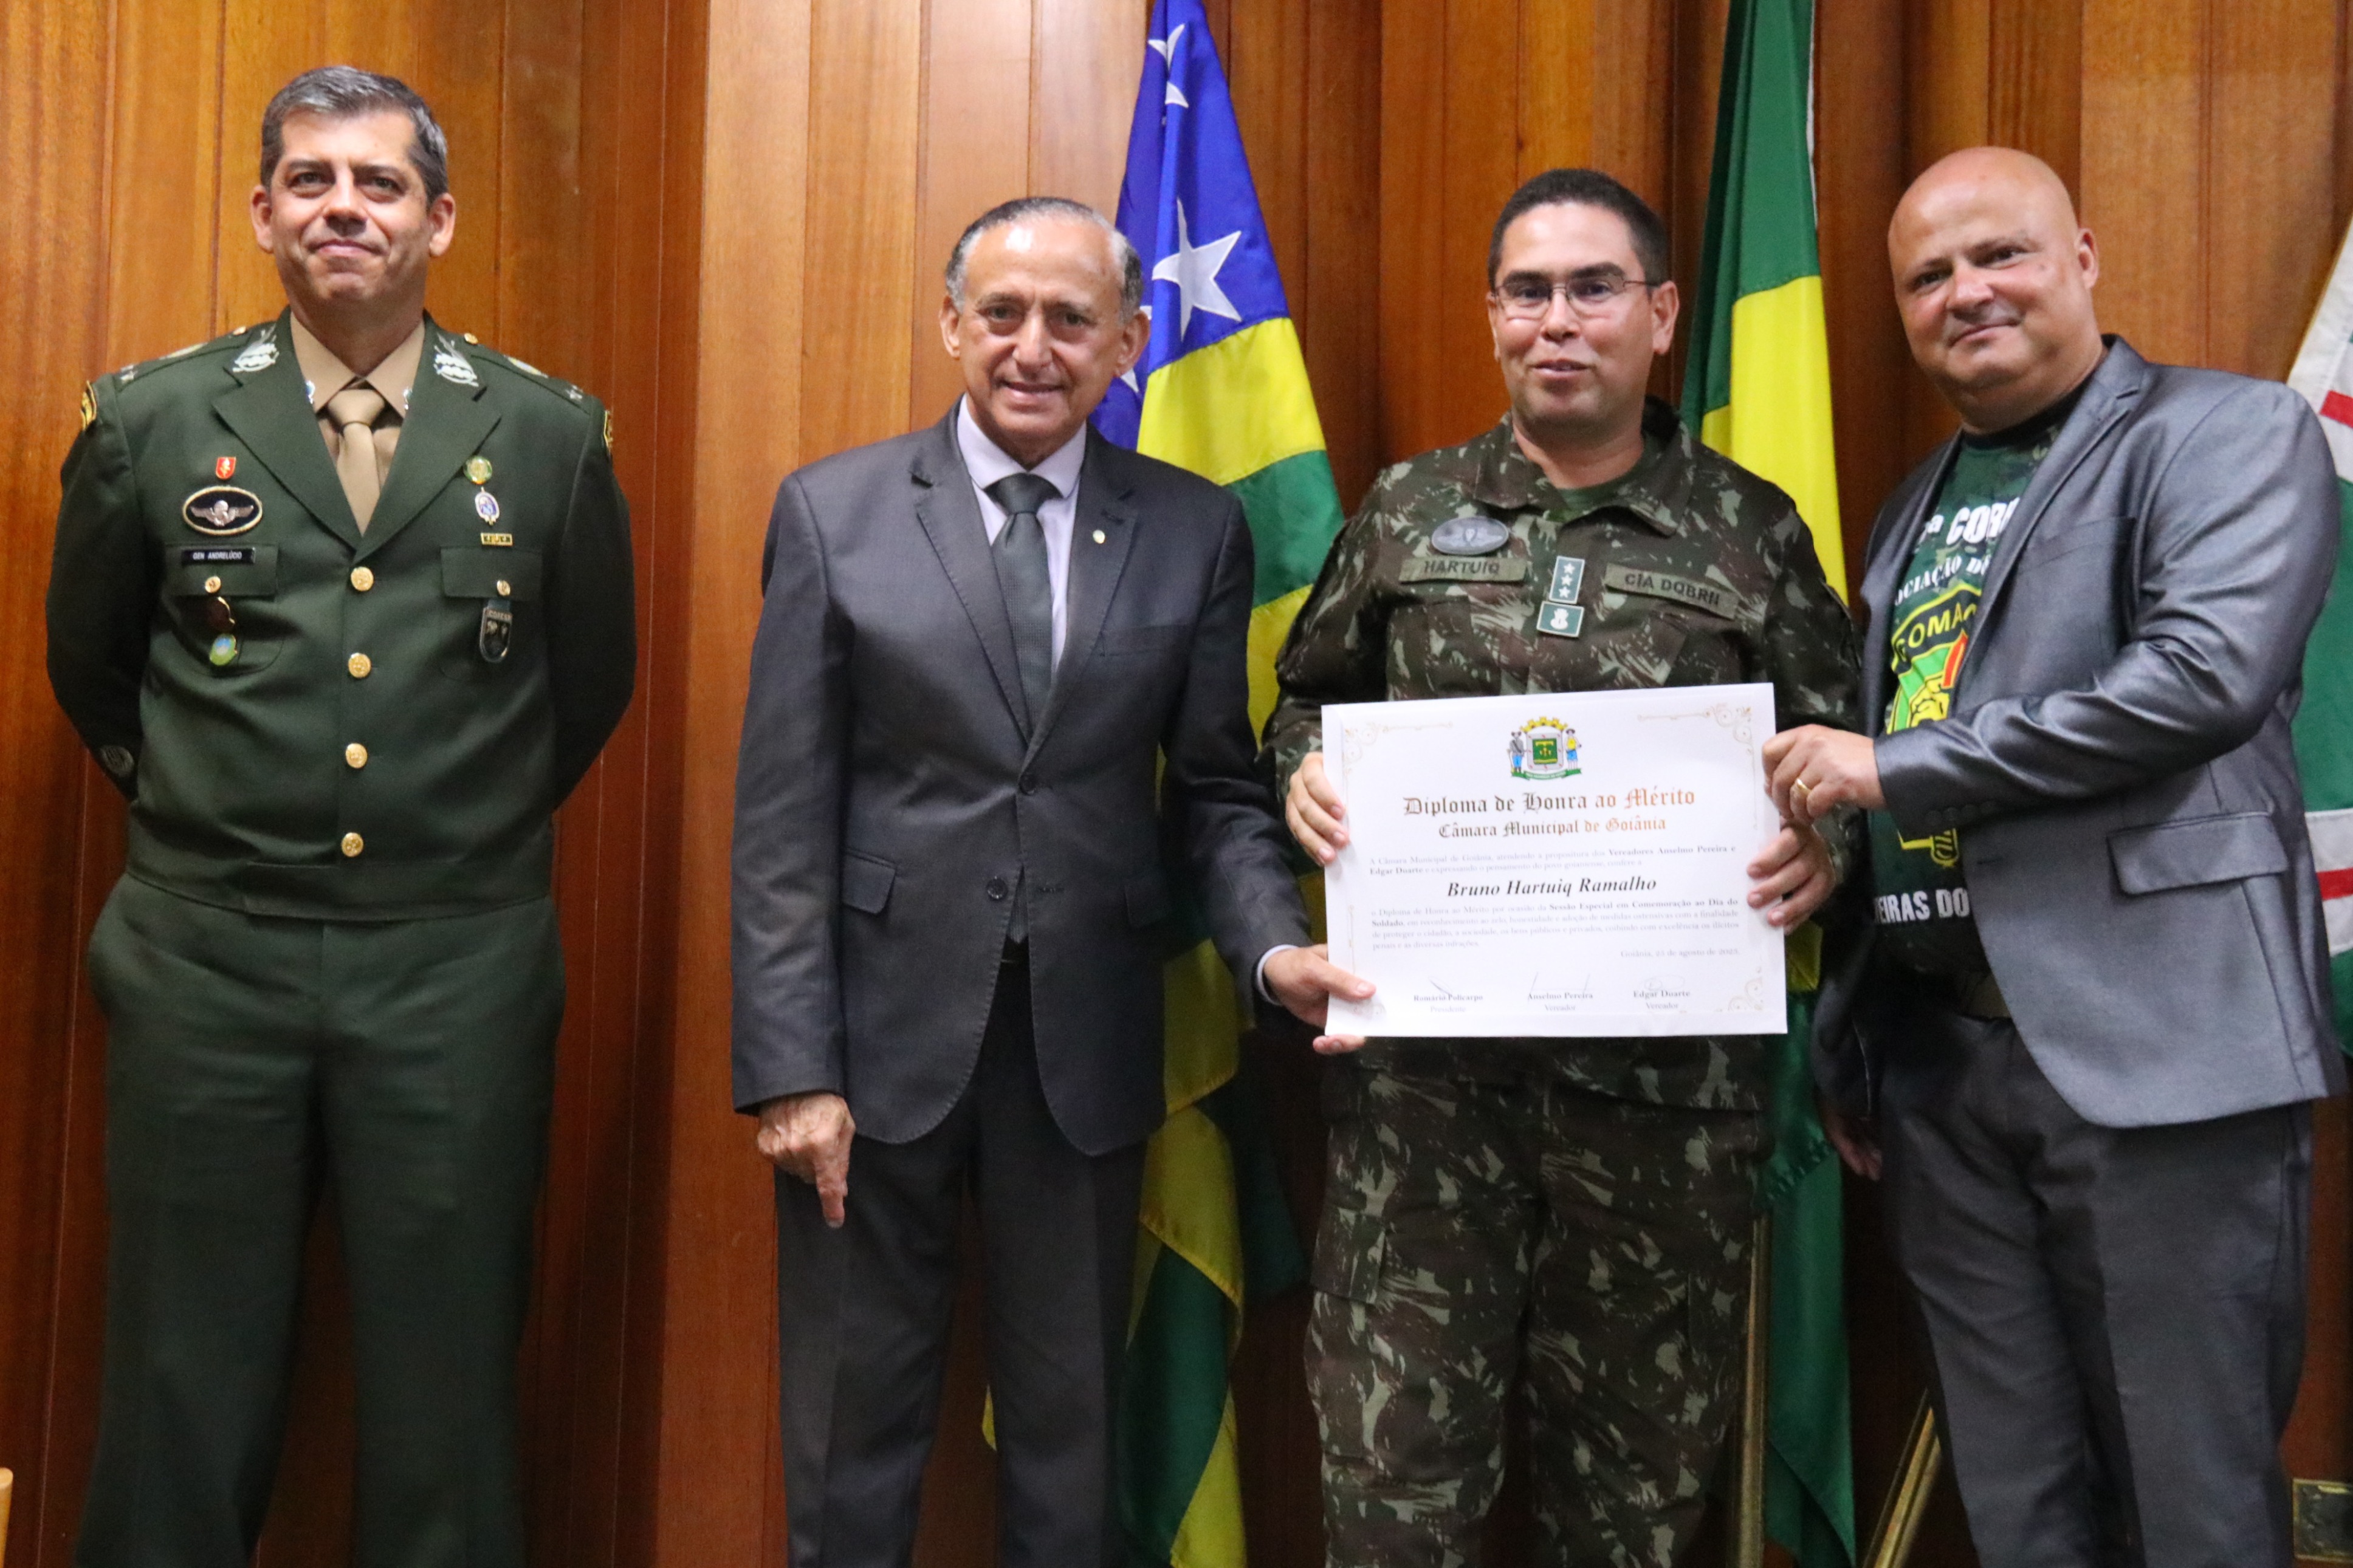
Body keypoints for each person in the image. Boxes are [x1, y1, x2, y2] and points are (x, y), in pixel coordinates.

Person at [45, 66, 635, 1566]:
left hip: (455, 966)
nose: (343, 207)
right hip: (205, 958)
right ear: (263, 213)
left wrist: (452, 833)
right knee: (180, 1374)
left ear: (440, 220)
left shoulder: (550, 436)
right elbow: (94, 667)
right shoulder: (149, 421)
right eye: (310, 179)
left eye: (379, 183)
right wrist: (217, 821)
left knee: (448, 1386)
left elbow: (586, 687)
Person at [731, 196, 1362, 1568]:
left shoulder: (1192, 528)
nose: (1034, 347)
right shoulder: (834, 513)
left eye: (1072, 320)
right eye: (1003, 313)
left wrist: (1271, 953)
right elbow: (782, 815)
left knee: (1070, 1448)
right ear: (950, 323)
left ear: (1127, 343)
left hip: (1083, 1045)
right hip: (870, 1051)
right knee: (849, 1439)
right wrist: (791, 1070)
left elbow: (1213, 790)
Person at [1266, 166, 1861, 1566]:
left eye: (1594, 288)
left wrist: (1824, 844)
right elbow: (1304, 699)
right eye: (1526, 291)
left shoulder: (1752, 525)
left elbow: (1843, 749)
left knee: (1632, 1506)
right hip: (1426, 1107)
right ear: (1490, 316)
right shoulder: (1406, 510)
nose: (1557, 319)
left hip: (1661, 1111)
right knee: (1393, 1489)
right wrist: (1304, 772)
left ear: (1661, 313)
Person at [1770, 147, 2343, 1567]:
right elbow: (1899, 741)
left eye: (2000, 254)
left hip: (2160, 1051)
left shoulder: (2228, 434)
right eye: (1927, 276)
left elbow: (2198, 682)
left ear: (2081, 256)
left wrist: (1887, 770)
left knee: (2191, 1505)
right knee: (2018, 1503)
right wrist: (1854, 1018)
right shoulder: (1915, 503)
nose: (1966, 291)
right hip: (1941, 1072)